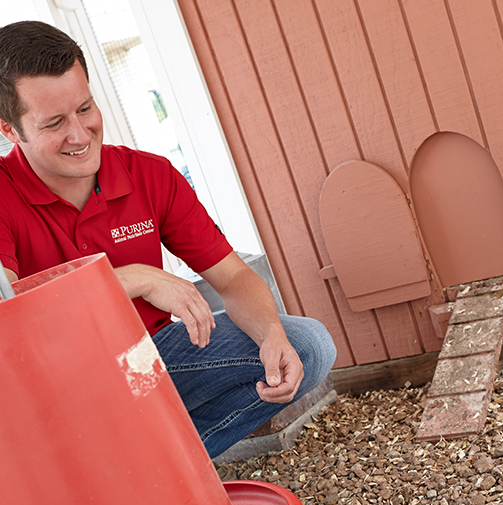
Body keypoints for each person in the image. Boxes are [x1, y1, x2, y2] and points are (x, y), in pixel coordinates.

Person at [0, 20, 336, 459]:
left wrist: (271, 333)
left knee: (307, 346)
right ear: (10, 129)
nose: (80, 135)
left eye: (85, 109)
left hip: (152, 358)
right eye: (55, 123)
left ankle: (151, 473)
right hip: (50, 389)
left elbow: (233, 277)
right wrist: (134, 278)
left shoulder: (150, 174)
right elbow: (8, 311)